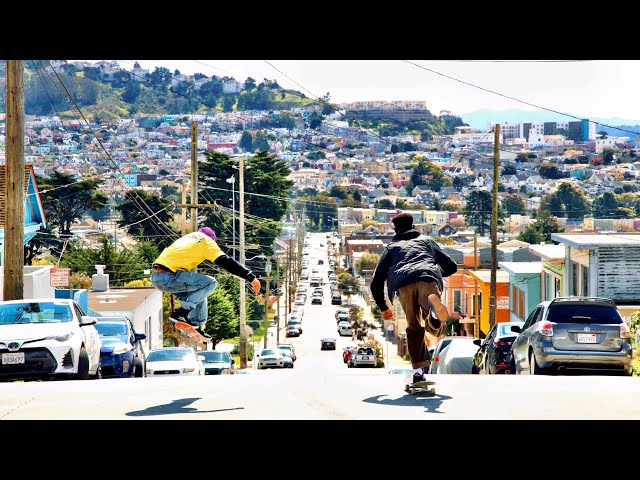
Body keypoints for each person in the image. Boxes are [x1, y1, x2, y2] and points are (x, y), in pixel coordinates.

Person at [370, 213, 458, 384]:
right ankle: (432, 314)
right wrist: (438, 272)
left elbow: (376, 282)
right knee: (433, 325)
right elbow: (451, 266)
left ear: (396, 229)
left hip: (403, 284)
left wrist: (383, 307)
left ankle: (417, 372)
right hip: (428, 279)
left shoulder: (391, 248)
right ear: (413, 226)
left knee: (414, 327)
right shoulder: (426, 241)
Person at [150, 227, 262, 340]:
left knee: (200, 292)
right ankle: (181, 312)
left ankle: (195, 324)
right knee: (210, 283)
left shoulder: (188, 238)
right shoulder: (207, 241)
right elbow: (226, 261)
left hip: (157, 278)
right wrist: (250, 277)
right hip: (170, 276)